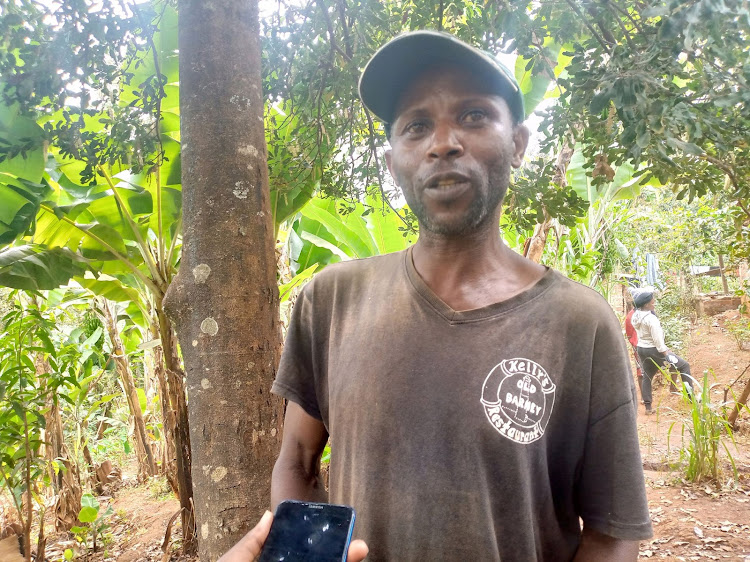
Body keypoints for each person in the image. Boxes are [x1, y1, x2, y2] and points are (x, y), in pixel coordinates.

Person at [228, 30, 653, 561]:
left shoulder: (579, 325)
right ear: (393, 164)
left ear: (518, 144)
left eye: (474, 116)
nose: (443, 142)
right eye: (417, 125)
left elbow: (613, 532)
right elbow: (296, 459)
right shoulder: (332, 300)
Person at [631, 287, 693, 415]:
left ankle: (648, 407)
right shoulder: (651, 319)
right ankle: (691, 399)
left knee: (647, 376)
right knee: (684, 366)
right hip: (655, 350)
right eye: (652, 301)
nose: (654, 302)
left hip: (642, 348)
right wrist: (666, 354)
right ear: (646, 304)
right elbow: (658, 340)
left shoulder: (636, 315)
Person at [624, 297, 644, 402]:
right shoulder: (631, 316)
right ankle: (644, 396)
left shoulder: (632, 315)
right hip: (638, 345)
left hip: (642, 344)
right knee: (641, 370)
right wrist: (633, 342)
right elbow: (628, 333)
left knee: (643, 370)